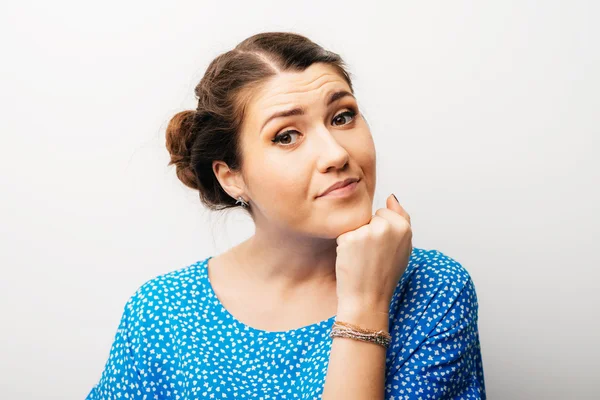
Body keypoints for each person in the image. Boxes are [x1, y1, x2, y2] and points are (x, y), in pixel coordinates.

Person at [86, 31, 486, 399]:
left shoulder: (434, 291)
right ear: (232, 177)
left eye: (342, 116)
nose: (336, 154)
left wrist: (365, 305)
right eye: (287, 136)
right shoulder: (161, 314)